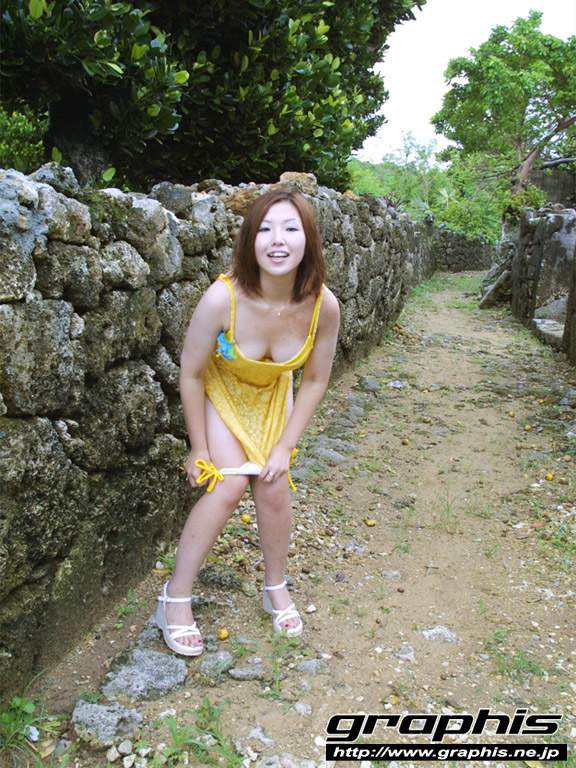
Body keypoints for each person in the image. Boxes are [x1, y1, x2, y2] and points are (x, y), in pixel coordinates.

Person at [155, 187, 340, 656]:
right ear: (249, 240)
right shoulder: (223, 298)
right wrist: (199, 447)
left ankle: (275, 586)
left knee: (274, 485)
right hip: (223, 390)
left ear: (308, 240)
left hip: (273, 395)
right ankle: (174, 597)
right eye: (265, 229)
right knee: (229, 484)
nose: (277, 240)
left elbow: (315, 380)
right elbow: (191, 372)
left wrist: (285, 447)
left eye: (291, 228)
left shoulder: (324, 306)